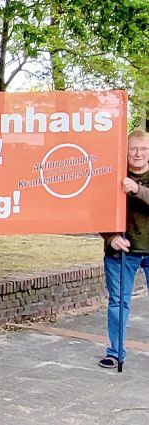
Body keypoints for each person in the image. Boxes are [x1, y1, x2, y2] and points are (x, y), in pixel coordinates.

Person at [99, 128, 149, 369]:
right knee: (119, 303)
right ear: (125, 150)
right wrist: (111, 237)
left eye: (143, 149)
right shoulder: (113, 175)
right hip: (121, 253)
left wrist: (137, 190)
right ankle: (115, 352)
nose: (138, 154)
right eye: (133, 149)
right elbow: (96, 211)